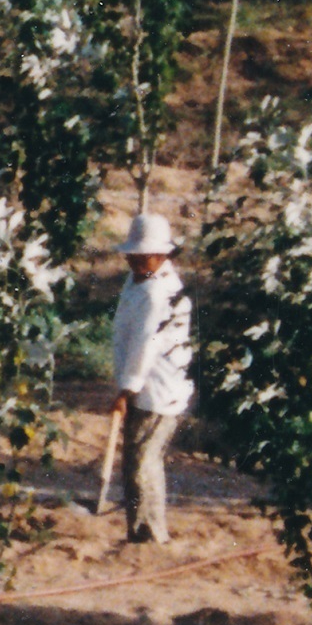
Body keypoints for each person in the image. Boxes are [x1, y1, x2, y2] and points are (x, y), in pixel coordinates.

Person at [95, 214, 191, 545]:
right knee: (136, 458)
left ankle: (151, 534)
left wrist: (126, 389)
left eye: (142, 255)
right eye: (132, 255)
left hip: (157, 389)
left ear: (162, 255)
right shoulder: (138, 280)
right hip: (143, 386)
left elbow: (145, 344)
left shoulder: (158, 292)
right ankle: (138, 529)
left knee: (144, 462)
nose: (135, 261)